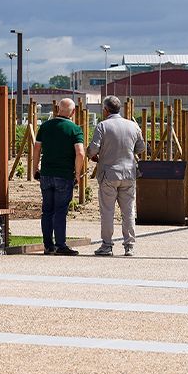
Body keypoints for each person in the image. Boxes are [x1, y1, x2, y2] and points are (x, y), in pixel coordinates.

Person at [88, 95, 147, 257]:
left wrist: (94, 155)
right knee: (128, 211)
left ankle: (107, 245)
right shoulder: (133, 126)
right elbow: (141, 148)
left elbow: (93, 149)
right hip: (129, 173)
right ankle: (129, 246)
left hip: (108, 173)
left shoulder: (102, 126)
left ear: (106, 110)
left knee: (107, 211)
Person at [31, 98, 85, 255]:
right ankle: (61, 245)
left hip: (46, 174)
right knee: (60, 211)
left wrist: (35, 169)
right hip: (64, 174)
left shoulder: (45, 126)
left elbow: (36, 147)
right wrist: (78, 173)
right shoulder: (75, 129)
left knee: (47, 210)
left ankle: (48, 245)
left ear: (57, 109)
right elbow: (80, 152)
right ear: (73, 112)